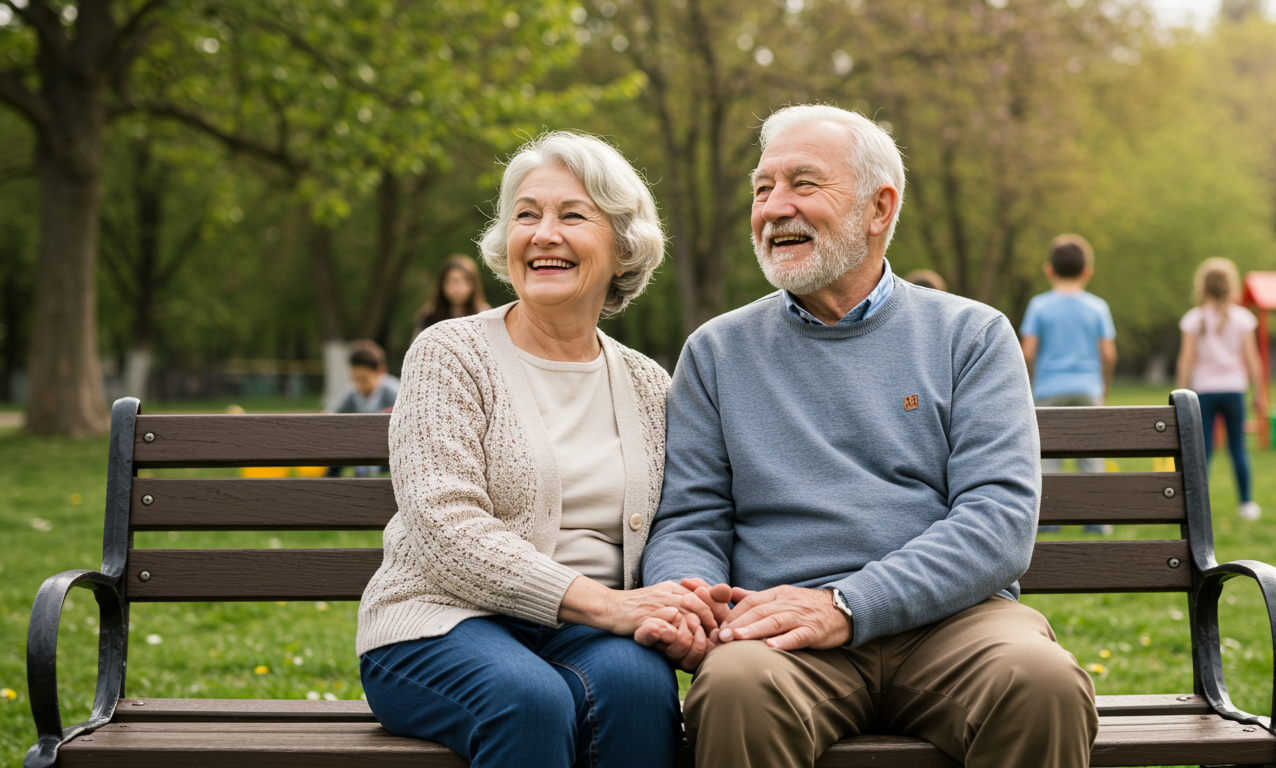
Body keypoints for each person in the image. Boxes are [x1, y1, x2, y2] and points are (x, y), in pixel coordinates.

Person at [641, 105, 1096, 768]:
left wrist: (848, 605)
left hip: (954, 623)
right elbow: (690, 518)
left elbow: (998, 520)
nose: (774, 207)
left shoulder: (972, 336)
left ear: (879, 208)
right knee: (735, 687)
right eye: (762, 189)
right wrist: (694, 603)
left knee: (1042, 682)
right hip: (783, 636)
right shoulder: (716, 351)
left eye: (802, 183)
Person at [357, 131, 714, 768]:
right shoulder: (449, 353)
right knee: (530, 701)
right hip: (440, 621)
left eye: (572, 216)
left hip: (589, 632)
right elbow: (444, 527)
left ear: (623, 248)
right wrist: (610, 606)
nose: (544, 234)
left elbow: (677, 523)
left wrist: (674, 609)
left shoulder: (647, 383)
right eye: (527, 215)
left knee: (639, 689)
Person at [1019, 234, 1118, 534]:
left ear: (1049, 270)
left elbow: (1027, 352)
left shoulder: (1039, 306)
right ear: (1087, 271)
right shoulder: (1097, 307)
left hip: (1048, 389)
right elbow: (1109, 354)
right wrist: (1103, 386)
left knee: (1048, 457)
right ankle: (1097, 520)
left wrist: (1028, 384)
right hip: (1088, 388)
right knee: (1091, 454)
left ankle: (1049, 519)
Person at [1176, 257, 1264, 521]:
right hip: (1234, 390)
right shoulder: (1243, 319)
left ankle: (1197, 508)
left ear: (1202, 286)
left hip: (1203, 392)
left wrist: (1180, 394)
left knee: (1202, 451)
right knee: (1238, 447)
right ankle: (1246, 504)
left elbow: (1186, 360)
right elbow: (1253, 359)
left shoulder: (1193, 319)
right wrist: (1260, 393)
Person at [324, 340, 399, 477]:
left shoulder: (393, 391)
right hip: (364, 447)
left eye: (363, 379)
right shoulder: (353, 392)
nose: (358, 384)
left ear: (380, 372)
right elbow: (329, 413)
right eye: (354, 379)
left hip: (388, 449)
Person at [411, 254, 494, 341]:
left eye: (464, 281)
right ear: (442, 285)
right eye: (452, 281)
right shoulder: (429, 318)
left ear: (474, 284)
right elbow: (418, 346)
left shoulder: (484, 316)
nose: (457, 288)